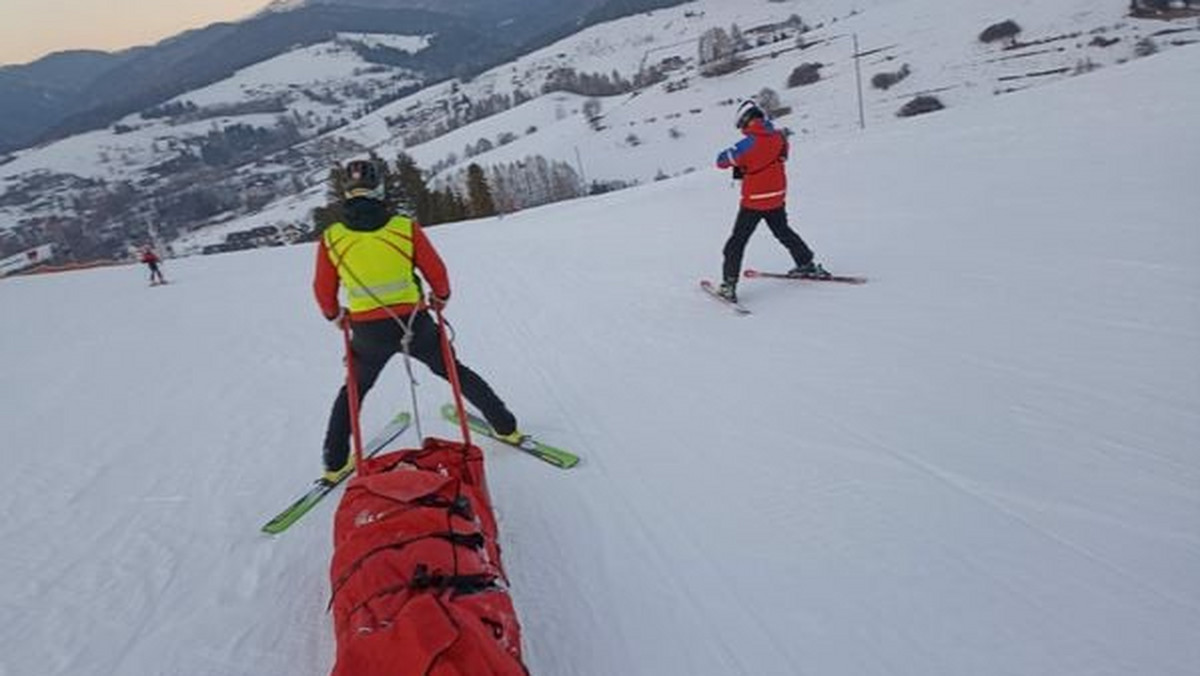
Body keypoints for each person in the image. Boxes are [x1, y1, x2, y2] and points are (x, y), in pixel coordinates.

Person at [313, 159, 520, 483]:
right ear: (379, 189)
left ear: (346, 193)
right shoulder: (403, 227)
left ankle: (335, 461)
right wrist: (441, 297)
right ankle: (506, 427)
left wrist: (335, 315)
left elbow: (324, 290)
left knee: (354, 389)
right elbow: (436, 271)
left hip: (367, 331)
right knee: (454, 371)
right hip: (414, 323)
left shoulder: (332, 238)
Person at [714, 99, 828, 303]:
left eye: (741, 125)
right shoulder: (780, 137)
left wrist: (743, 161)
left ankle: (728, 286)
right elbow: (782, 158)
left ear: (746, 121)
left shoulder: (747, 143)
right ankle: (806, 264)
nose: (741, 129)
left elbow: (721, 161)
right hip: (777, 197)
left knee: (737, 242)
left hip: (753, 202)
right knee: (783, 231)